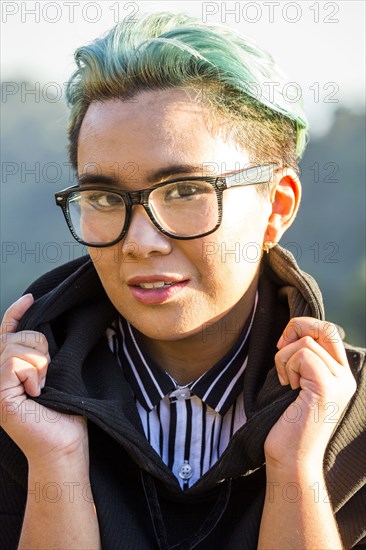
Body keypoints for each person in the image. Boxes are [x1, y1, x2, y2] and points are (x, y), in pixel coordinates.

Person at [0, 12, 365, 550]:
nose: (141, 242)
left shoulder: (354, 420)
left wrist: (296, 471)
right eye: (103, 197)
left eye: (185, 190)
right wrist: (55, 463)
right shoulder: (15, 413)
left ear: (276, 206)